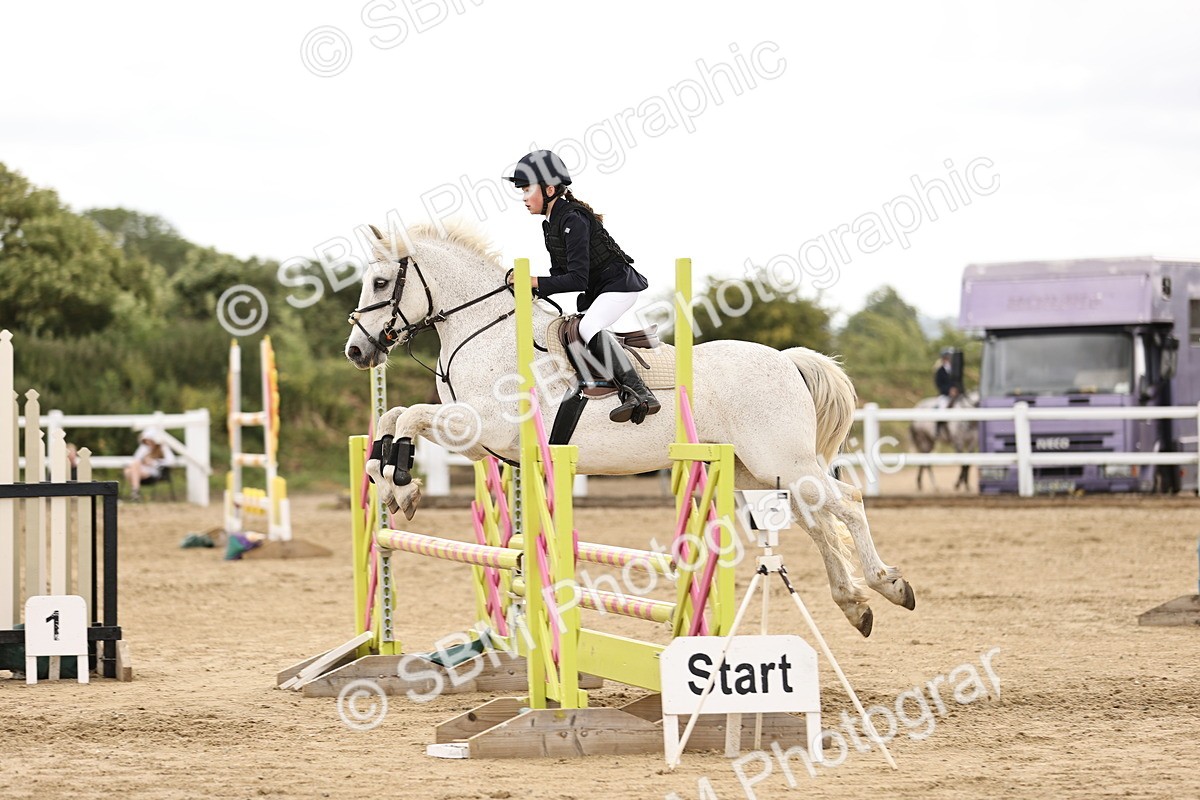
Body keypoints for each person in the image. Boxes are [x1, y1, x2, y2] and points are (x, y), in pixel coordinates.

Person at [504, 149, 660, 424]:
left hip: (619, 285)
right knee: (576, 326)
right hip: (598, 290)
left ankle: (640, 393)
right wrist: (530, 286)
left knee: (588, 328)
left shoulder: (573, 218)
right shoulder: (550, 224)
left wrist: (534, 281)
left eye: (527, 190)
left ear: (549, 189)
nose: (524, 198)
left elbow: (577, 280)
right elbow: (559, 274)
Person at [123, 427, 176, 501]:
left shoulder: (163, 448)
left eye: (150, 441)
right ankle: (135, 492)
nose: (148, 443)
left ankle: (135, 492)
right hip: (140, 471)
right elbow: (136, 460)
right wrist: (143, 461)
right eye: (147, 441)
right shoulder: (143, 447)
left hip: (153, 473)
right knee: (132, 467)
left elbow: (171, 462)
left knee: (129, 471)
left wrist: (153, 462)